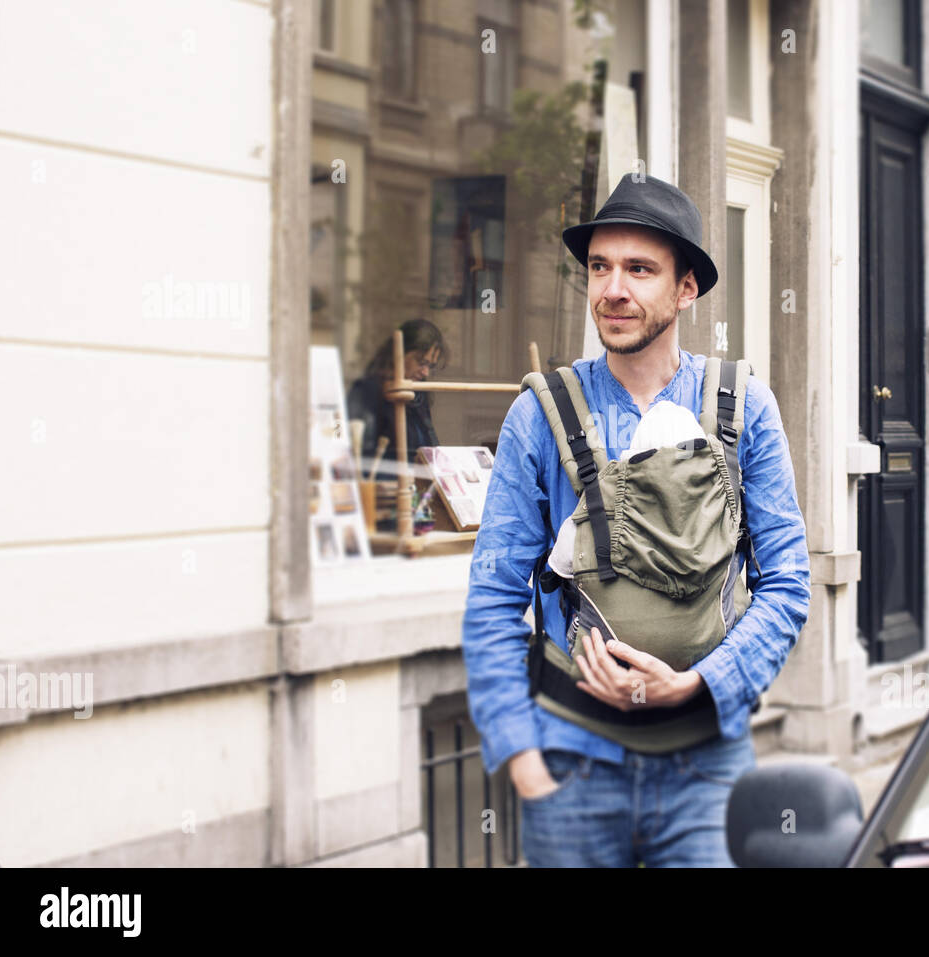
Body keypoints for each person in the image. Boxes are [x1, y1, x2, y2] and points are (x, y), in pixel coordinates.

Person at [461, 175, 810, 867]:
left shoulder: (743, 408)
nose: (613, 289)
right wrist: (523, 758)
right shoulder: (542, 413)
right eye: (600, 267)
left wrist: (700, 682)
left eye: (639, 269)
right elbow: (494, 597)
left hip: (707, 770)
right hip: (573, 767)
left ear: (686, 288)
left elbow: (789, 584)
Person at [346, 318, 449, 475]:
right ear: (399, 354)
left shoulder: (418, 394)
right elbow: (341, 437)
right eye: (421, 362)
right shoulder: (367, 391)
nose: (425, 372)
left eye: (430, 366)